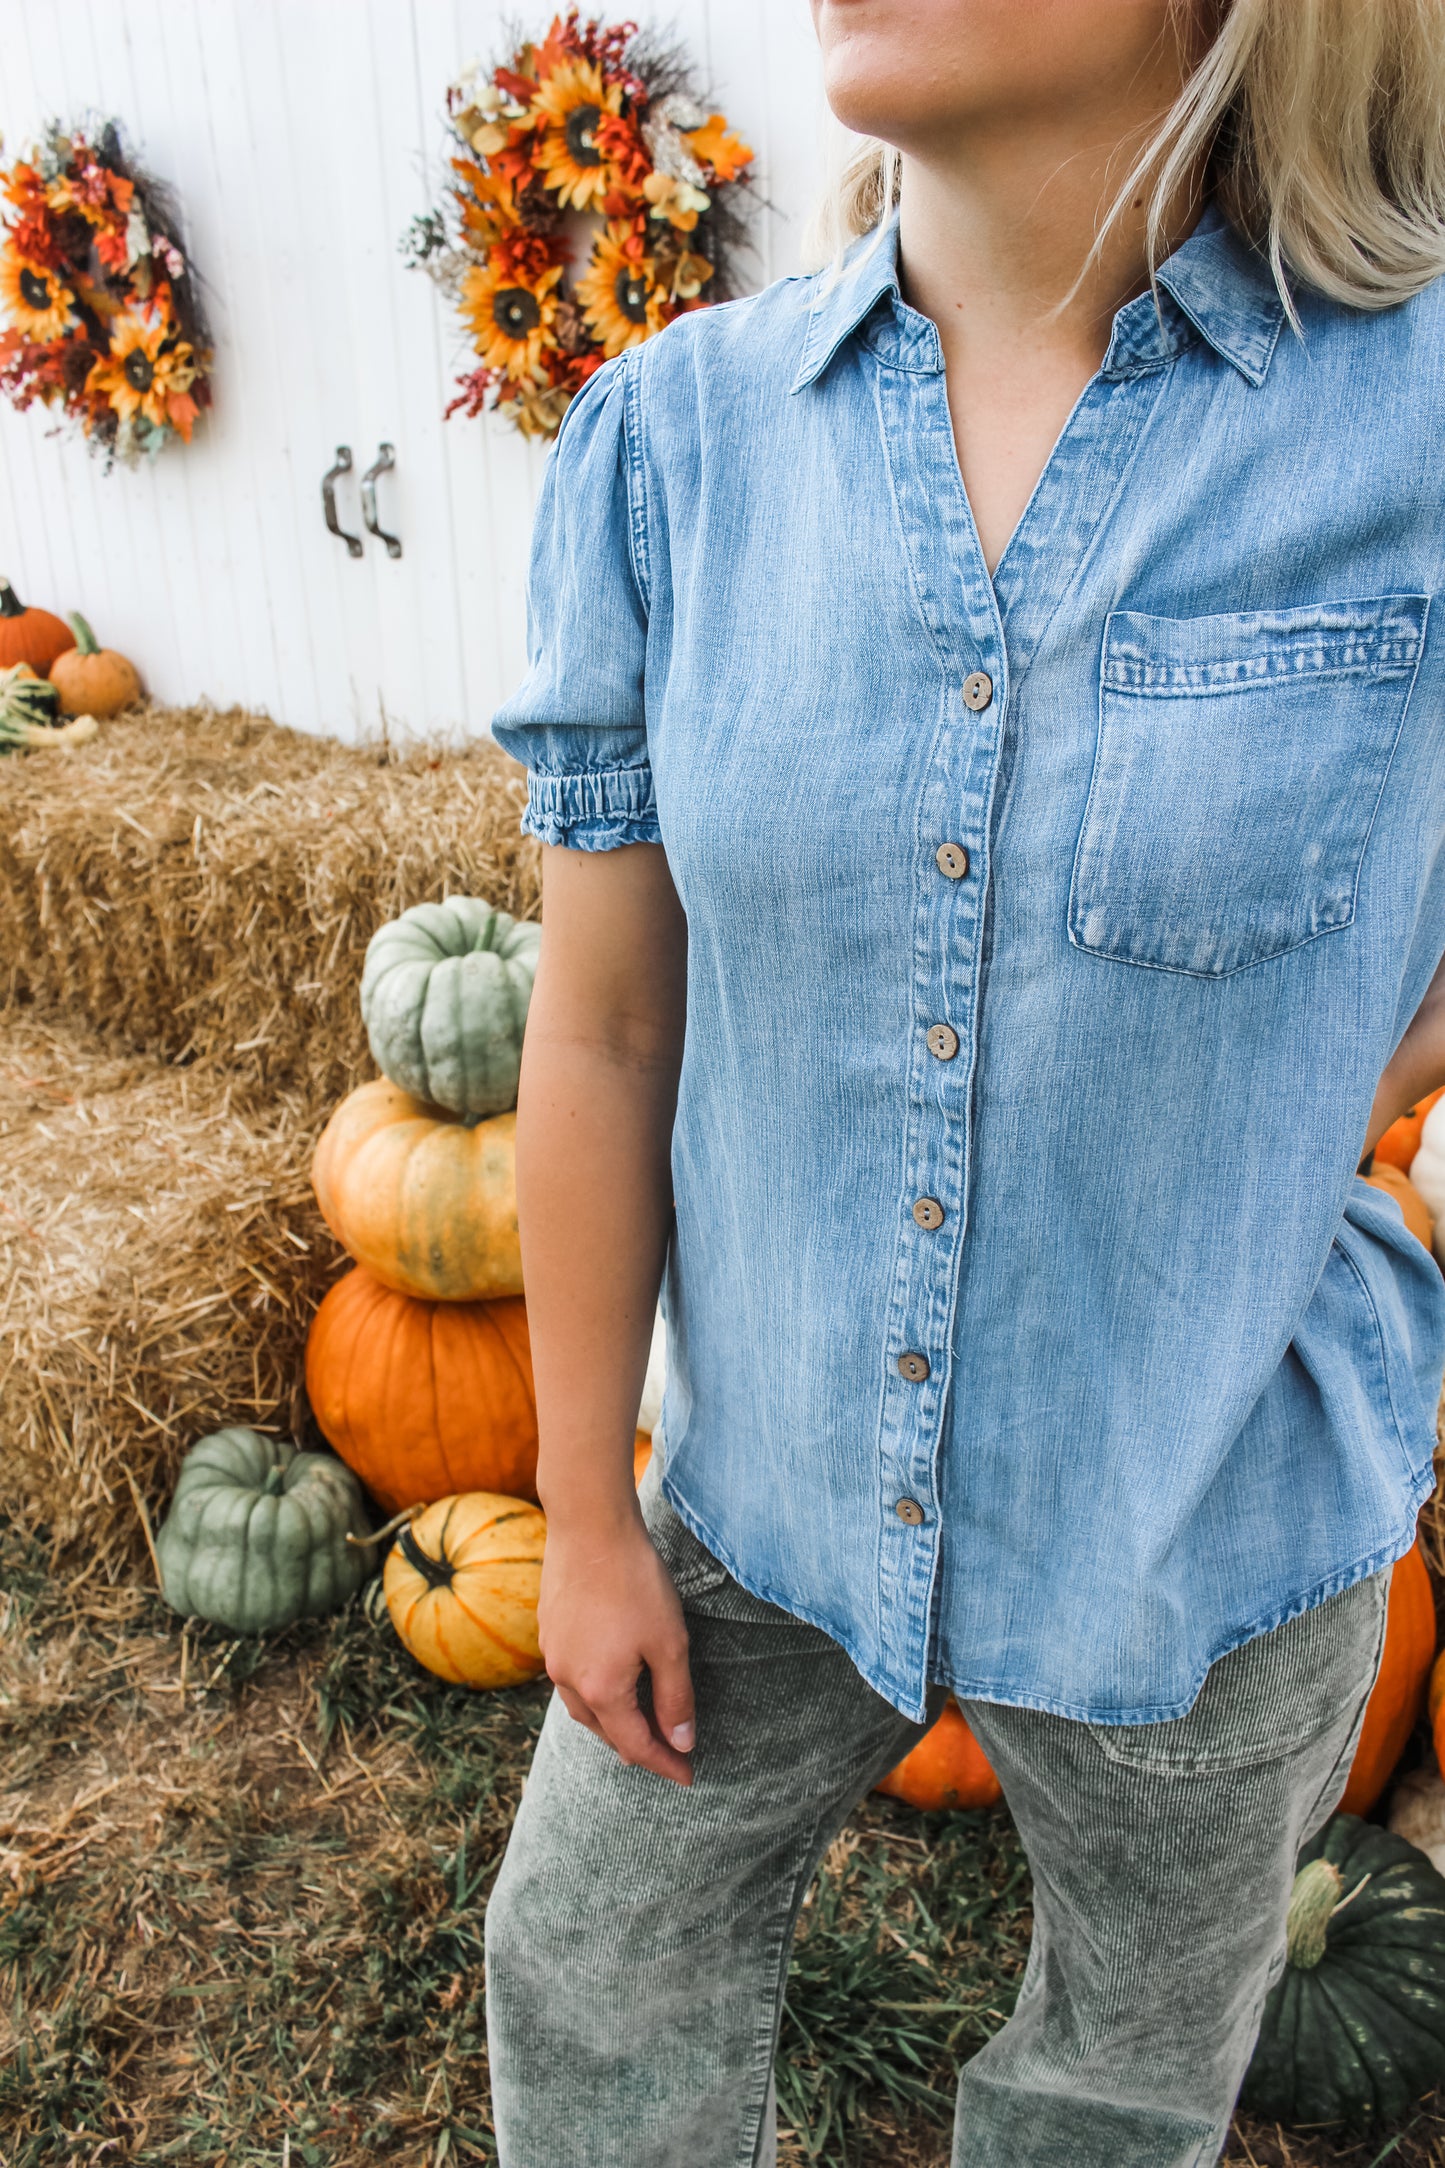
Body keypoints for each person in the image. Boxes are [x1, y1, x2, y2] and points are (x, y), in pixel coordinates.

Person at [484, 2, 1445, 2161]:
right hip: (761, 1494)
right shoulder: (672, 445)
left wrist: (1351, 1034)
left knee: (1115, 2090)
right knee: (588, 1964)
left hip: (1198, 1538)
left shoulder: (1420, 429)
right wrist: (577, 1511)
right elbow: (609, 1025)